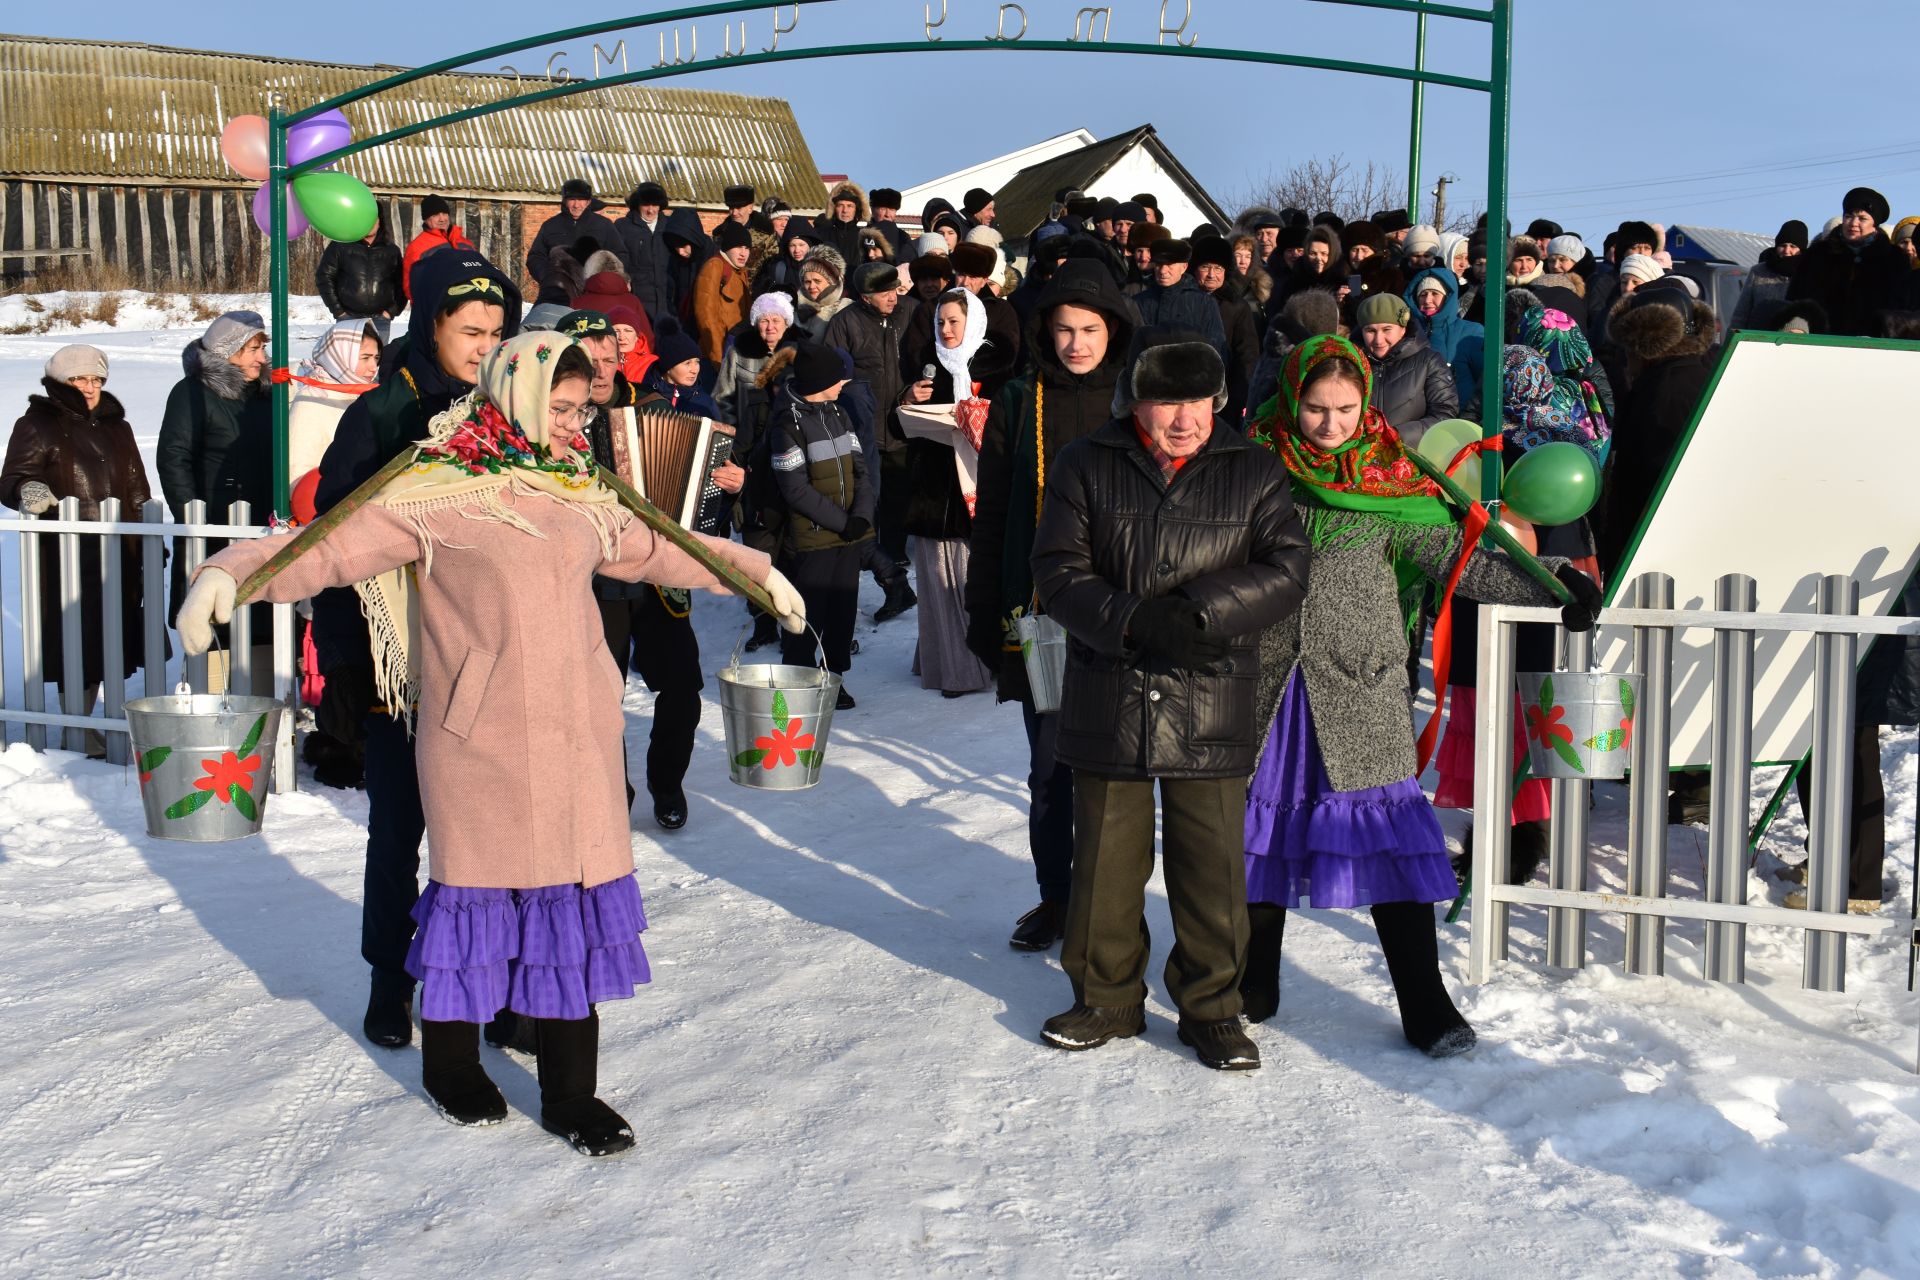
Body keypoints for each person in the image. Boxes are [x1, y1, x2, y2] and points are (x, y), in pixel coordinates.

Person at [177, 331, 803, 1154]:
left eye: (585, 407)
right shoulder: (436, 489)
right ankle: (451, 1065)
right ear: (517, 393)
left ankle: (573, 1097)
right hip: (478, 737)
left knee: (570, 907)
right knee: (475, 902)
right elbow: (326, 546)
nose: (576, 422)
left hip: (577, 732)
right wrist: (232, 572)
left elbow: (660, 548)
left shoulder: (581, 488)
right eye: (563, 405)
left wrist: (753, 571)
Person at [1240, 335, 1600, 1057]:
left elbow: (1463, 560)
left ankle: (1424, 1003)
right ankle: (1252, 980)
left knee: (1387, 844)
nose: (1331, 425)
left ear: (1366, 403)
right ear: (1291, 400)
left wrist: (1555, 582)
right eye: (1315, 408)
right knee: (1255, 840)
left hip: (1360, 688)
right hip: (1268, 689)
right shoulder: (1249, 471)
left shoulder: (1388, 480)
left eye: (1346, 408)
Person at [1029, 332, 1310, 1070]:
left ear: (1217, 402)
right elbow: (1057, 570)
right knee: (1105, 861)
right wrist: (1130, 620)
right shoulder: (1085, 462)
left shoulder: (1253, 468)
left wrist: (1199, 614)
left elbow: (1286, 569)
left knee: (1211, 862)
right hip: (1110, 687)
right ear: (1137, 403)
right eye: (1164, 402)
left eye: (1195, 402)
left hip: (1209, 689)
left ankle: (1214, 1008)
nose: (1181, 419)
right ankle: (1106, 999)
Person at [312, 248, 523, 1051]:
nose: (484, 346)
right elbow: (331, 546)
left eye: (496, 332)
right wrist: (350, 669)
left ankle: (498, 985)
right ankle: (388, 979)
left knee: (496, 835)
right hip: (399, 666)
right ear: (430, 323)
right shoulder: (379, 416)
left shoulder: (512, 411)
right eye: (470, 330)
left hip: (489, 660)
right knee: (400, 830)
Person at [967, 261, 1136, 950]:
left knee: (1121, 774)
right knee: (1049, 768)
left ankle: (1113, 907)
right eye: (1064, 329)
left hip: (1126, 615)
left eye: (1090, 329)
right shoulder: (1017, 400)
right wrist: (982, 602)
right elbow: (995, 508)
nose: (1076, 343)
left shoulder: (1137, 399)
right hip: (1041, 617)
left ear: (1114, 330)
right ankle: (1059, 899)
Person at [563, 309, 744, 831]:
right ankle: (610, 788)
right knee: (601, 695)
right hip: (590, 582)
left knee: (682, 687)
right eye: (588, 360)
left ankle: (667, 783)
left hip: (656, 575)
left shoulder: (654, 408)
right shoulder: (551, 417)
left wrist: (727, 484)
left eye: (608, 359)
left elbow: (699, 499)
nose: (600, 371)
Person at [1, 344, 154, 756]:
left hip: (117, 551)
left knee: (106, 642)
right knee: (74, 640)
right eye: (80, 379)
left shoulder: (116, 426)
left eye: (97, 379)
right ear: (59, 381)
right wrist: (27, 489)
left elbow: (138, 490)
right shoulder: (37, 424)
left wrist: (147, 540)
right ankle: (76, 726)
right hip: (64, 554)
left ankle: (84, 723)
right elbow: (12, 478)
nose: (90, 387)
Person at [897, 289, 1012, 698]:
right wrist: (908, 399)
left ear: (973, 321)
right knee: (937, 581)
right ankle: (951, 664)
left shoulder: (997, 365)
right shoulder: (928, 369)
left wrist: (979, 416)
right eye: (940, 322)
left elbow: (1012, 426)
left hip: (982, 488)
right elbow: (898, 429)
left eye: (953, 322)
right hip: (934, 489)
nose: (946, 330)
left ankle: (984, 658)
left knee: (971, 581)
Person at [155, 310, 272, 694]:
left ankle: (262, 705)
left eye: (262, 349)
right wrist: (194, 519)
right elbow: (174, 458)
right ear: (228, 351)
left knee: (262, 620)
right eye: (253, 349)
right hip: (214, 527)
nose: (261, 357)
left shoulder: (267, 395)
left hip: (263, 528)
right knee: (217, 620)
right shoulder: (191, 393)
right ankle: (213, 700)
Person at [762, 342, 873, 708]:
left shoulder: (839, 413)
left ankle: (833, 679)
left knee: (841, 620)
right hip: (813, 542)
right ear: (819, 380)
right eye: (838, 376)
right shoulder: (787, 426)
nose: (845, 381)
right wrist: (843, 522)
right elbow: (794, 489)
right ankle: (797, 686)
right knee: (806, 620)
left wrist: (861, 517)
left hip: (849, 537)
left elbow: (861, 470)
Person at [822, 260, 920, 625]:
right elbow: (833, 376)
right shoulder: (845, 323)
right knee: (869, 496)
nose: (893, 297)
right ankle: (876, 559)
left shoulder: (911, 313)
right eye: (884, 293)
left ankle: (893, 556)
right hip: (862, 429)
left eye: (895, 289)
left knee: (899, 494)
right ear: (865, 297)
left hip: (904, 425)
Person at [1790, 187, 1907, 338]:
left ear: (1874, 224)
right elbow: (1798, 298)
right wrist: (1797, 326)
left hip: (1875, 347)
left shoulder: (1894, 259)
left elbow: (1901, 308)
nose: (1853, 223)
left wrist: (1883, 332)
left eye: (1862, 218)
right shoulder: (1818, 255)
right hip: (1821, 343)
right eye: (1848, 216)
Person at [1351, 292, 1458, 446]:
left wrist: (1396, 436)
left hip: (1410, 458)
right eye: (1371, 331)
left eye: (1387, 329)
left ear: (1403, 328)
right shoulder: (1351, 363)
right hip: (1359, 459)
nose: (1378, 340)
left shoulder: (1429, 362)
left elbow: (1445, 415)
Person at [1189, 236, 1262, 424]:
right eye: (1205, 267)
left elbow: (1247, 355)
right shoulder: (1183, 301)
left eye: (1218, 268)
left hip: (1225, 393)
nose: (1211, 274)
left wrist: (1239, 396)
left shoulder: (1237, 306)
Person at [1132, 239, 1229, 362]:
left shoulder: (1203, 302)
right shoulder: (1138, 301)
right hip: (1146, 376)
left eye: (1169, 265)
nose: (1163, 271)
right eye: (1159, 265)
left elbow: (1217, 347)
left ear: (1184, 267)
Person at [1403, 265, 1486, 404]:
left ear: (1448, 297)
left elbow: (1484, 380)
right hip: (1420, 419)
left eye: (1435, 293)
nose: (1428, 300)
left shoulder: (1471, 332)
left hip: (1461, 417)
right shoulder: (1407, 333)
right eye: (1423, 294)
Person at [527, 179, 616, 293]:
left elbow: (619, 254)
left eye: (581, 200)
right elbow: (535, 257)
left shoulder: (604, 225)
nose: (576, 205)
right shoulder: (550, 226)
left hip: (596, 291)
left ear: (588, 202)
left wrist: (607, 279)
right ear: (564, 201)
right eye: (572, 199)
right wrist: (547, 276)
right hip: (559, 291)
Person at [316, 211, 404, 324]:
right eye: (365, 218)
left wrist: (391, 311)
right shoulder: (340, 246)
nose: (370, 223)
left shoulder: (391, 251)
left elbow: (402, 283)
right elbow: (324, 277)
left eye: (374, 219)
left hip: (380, 321)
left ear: (380, 221)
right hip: (348, 319)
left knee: (379, 343)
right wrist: (338, 311)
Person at [613, 180, 678, 324]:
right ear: (637, 205)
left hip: (668, 298)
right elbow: (617, 259)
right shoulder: (623, 227)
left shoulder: (671, 225)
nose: (650, 210)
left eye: (655, 205)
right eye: (646, 205)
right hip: (637, 297)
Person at [1730, 220, 1807, 332]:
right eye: (1783, 245)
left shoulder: (1809, 273)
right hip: (1759, 339)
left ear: (1801, 249)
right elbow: (1741, 313)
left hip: (1796, 342)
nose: (1787, 250)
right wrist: (1733, 339)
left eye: (1793, 246)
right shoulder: (1758, 271)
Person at [694, 220, 754, 362]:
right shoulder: (715, 266)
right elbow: (706, 316)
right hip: (719, 352)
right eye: (738, 247)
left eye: (747, 248)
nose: (743, 253)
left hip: (736, 350)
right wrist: (717, 357)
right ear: (727, 247)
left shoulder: (740, 271)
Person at [400, 195, 473, 302]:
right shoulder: (417, 247)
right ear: (426, 219)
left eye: (444, 213)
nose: (442, 219)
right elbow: (410, 286)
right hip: (437, 308)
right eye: (435, 215)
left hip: (470, 304)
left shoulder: (465, 243)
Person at [795, 244, 851, 339]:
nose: (812, 286)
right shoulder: (793, 307)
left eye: (817, 281)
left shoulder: (846, 309)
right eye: (807, 282)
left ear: (832, 282)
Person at [816, 180, 868, 264]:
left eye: (850, 206)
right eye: (840, 205)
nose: (845, 210)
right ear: (834, 208)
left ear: (856, 209)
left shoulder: (865, 237)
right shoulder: (822, 234)